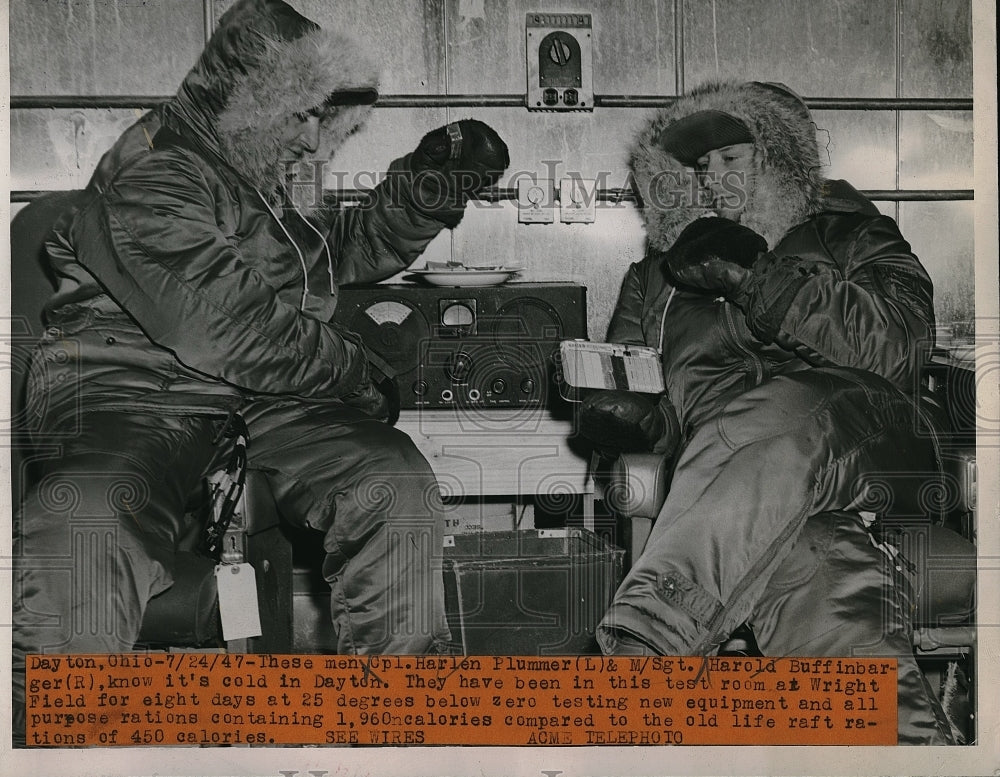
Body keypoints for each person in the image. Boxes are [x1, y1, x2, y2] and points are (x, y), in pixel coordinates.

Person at [12, 0, 508, 738]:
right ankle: (69, 743)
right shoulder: (158, 171)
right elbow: (227, 324)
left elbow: (321, 258)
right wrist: (356, 372)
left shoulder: (254, 171)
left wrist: (425, 188)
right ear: (248, 97)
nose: (312, 139)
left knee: (393, 482)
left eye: (320, 117)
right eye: (300, 115)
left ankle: (400, 728)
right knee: (83, 523)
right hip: (132, 388)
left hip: (260, 400)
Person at [580, 80, 954, 744]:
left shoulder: (853, 233)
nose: (716, 181)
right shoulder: (658, 276)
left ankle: (647, 646)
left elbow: (900, 348)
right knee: (819, 573)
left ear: (783, 163)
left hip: (871, 446)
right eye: (702, 168)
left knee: (783, 407)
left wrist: (761, 281)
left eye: (734, 161)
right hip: (755, 501)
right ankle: (905, 746)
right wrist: (633, 420)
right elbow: (663, 409)